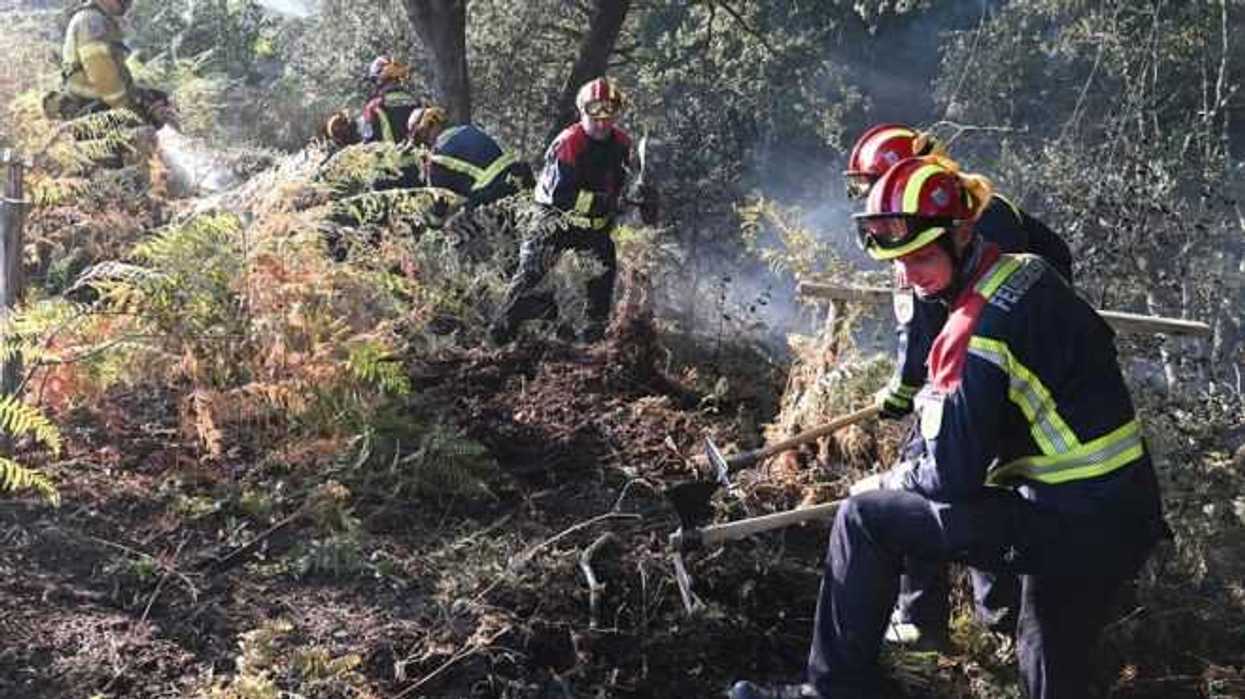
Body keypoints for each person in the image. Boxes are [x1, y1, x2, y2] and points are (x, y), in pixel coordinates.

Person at [729, 157, 1165, 699]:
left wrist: (885, 483)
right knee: (1052, 663)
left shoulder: (973, 329)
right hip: (1125, 513)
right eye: (898, 262)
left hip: (1066, 519)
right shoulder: (1030, 270)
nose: (911, 276)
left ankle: (829, 691)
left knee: (866, 518)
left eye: (922, 257)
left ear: (962, 233)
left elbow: (949, 479)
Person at [845, 123, 1076, 649]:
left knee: (928, 476)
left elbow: (927, 325)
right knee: (985, 482)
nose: (870, 200)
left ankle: (921, 620)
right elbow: (1054, 260)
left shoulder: (935, 225)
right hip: (1008, 376)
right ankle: (996, 622)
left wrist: (905, 393)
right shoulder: (975, 207)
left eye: (872, 184)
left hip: (982, 372)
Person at [489, 77, 657, 345]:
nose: (602, 122)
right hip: (554, 221)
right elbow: (561, 196)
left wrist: (642, 198)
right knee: (529, 276)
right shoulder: (570, 142)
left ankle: (592, 344)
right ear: (582, 111)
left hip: (594, 228)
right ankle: (497, 340)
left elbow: (630, 185)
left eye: (609, 114)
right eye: (595, 114)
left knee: (602, 279)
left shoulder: (623, 144)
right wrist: (603, 202)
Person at [49, 0, 175, 128]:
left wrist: (144, 98)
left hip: (97, 101)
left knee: (157, 98)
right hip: (86, 107)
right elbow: (103, 77)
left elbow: (116, 78)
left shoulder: (99, 20)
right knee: (144, 132)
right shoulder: (91, 21)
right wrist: (134, 113)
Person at [406, 106, 535, 208]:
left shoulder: (437, 159)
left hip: (494, 196)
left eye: (420, 140)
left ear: (424, 131)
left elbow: (440, 206)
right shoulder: (468, 129)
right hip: (519, 178)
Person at [359, 56, 420, 144]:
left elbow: (367, 140)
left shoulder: (373, 107)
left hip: (389, 155)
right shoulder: (415, 101)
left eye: (374, 80)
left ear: (379, 80)